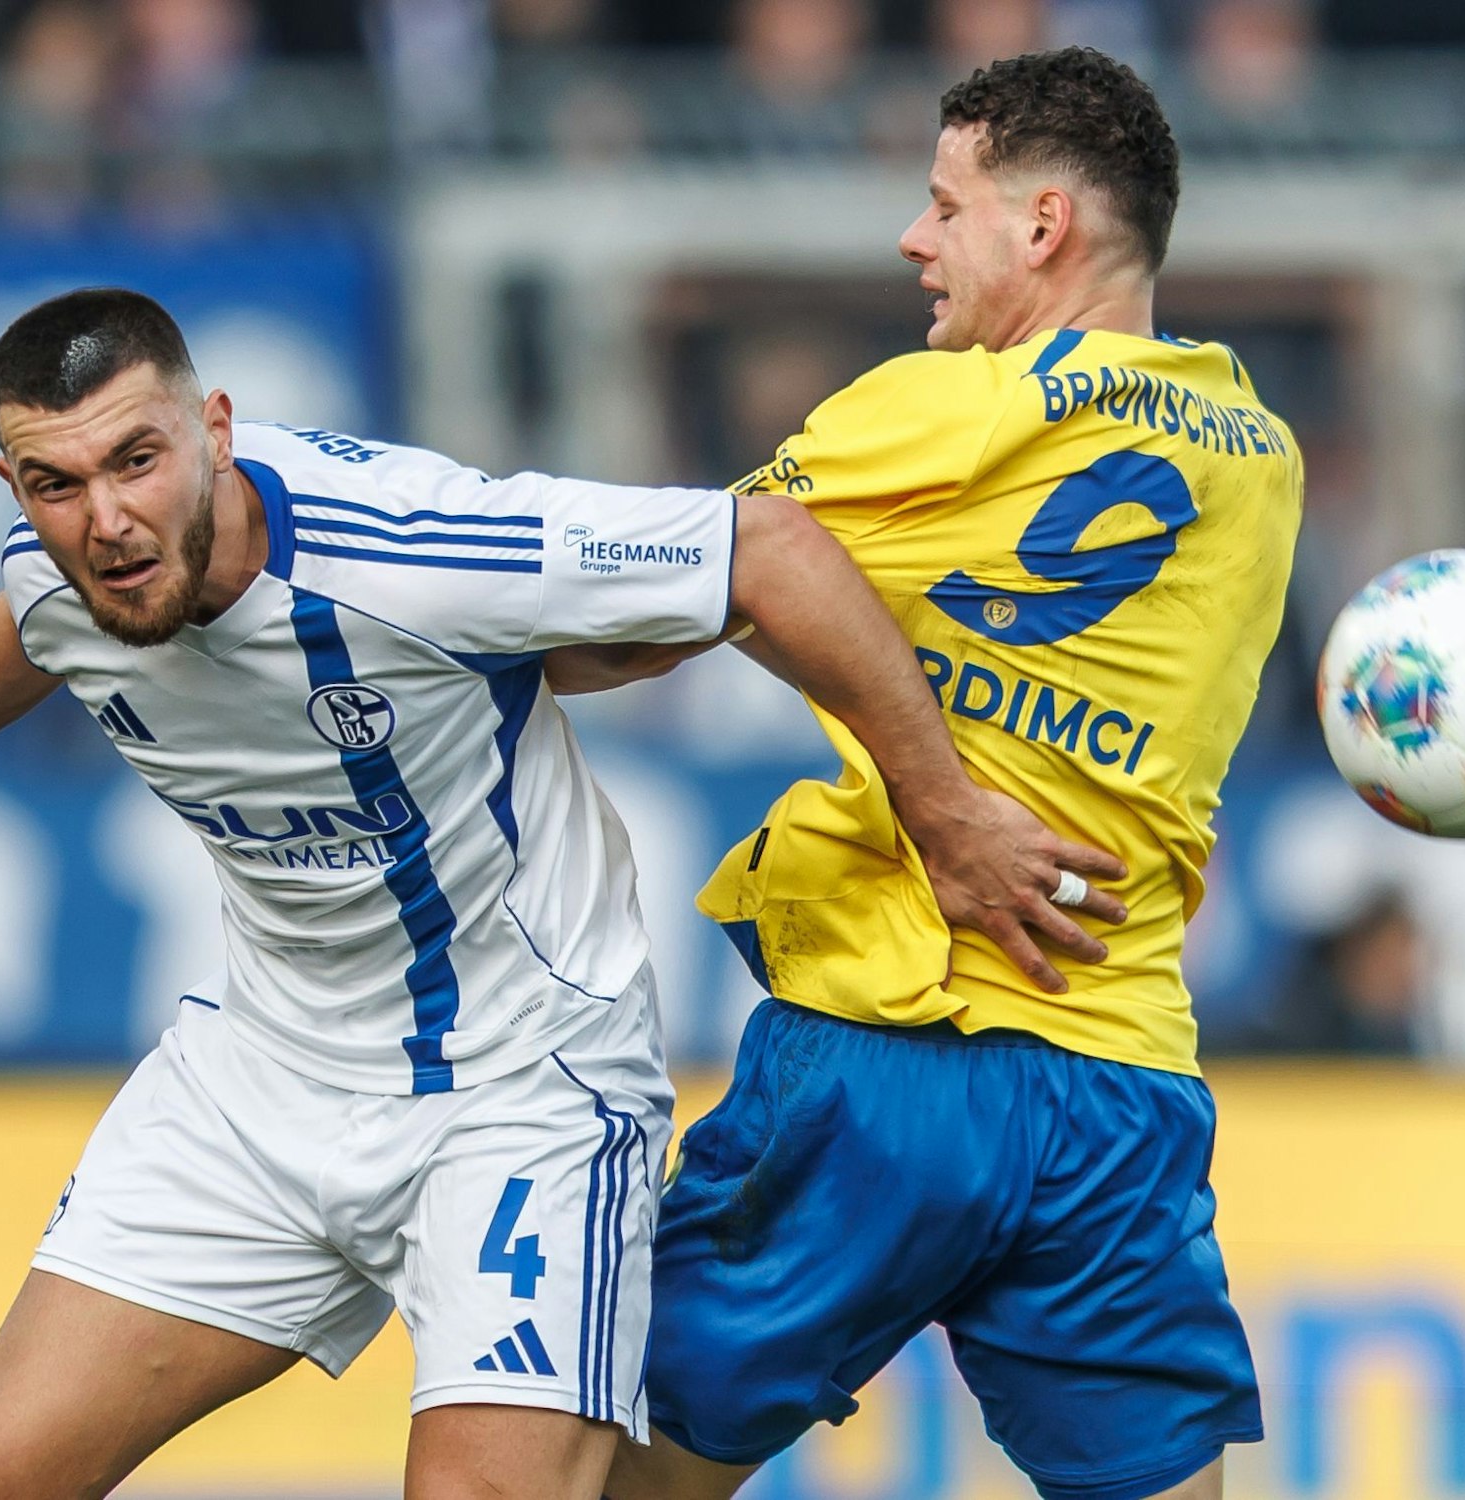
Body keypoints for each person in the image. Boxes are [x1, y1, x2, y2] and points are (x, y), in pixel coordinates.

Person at [0, 288, 1123, 1499]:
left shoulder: (417, 547)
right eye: (56, 484)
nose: (105, 520)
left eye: (139, 461)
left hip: (520, 1093)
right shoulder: (61, 561)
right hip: (262, 1078)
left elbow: (773, 551)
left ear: (217, 430)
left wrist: (943, 813)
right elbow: (27, 624)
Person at [556, 48, 1303, 1500]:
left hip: (893, 1055)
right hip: (1117, 1073)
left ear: (1043, 225)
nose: (915, 238)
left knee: (620, 1479)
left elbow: (636, 620)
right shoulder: (1260, 456)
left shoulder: (937, 413)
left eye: (946, 206)